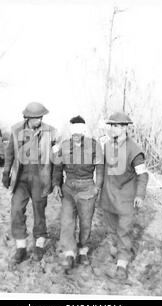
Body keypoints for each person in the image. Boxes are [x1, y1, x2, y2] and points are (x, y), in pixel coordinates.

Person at [2, 102, 58, 264]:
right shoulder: (16, 130)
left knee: (39, 212)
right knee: (16, 210)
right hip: (21, 179)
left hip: (41, 179)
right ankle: (21, 248)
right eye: (35, 118)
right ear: (27, 117)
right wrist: (6, 173)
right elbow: (9, 153)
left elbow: (57, 158)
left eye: (41, 117)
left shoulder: (51, 132)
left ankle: (39, 246)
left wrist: (55, 180)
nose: (38, 120)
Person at [99, 111, 149, 279]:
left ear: (125, 128)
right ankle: (118, 250)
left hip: (127, 199)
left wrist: (140, 195)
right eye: (111, 125)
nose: (113, 129)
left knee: (123, 231)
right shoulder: (106, 146)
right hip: (108, 196)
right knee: (112, 229)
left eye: (117, 126)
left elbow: (142, 175)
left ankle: (122, 263)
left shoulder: (134, 150)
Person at [52, 116, 104, 272]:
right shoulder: (65, 145)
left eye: (78, 132)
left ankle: (83, 251)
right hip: (69, 187)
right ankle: (69, 253)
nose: (75, 136)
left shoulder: (94, 146)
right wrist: (56, 184)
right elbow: (57, 168)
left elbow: (100, 168)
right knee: (67, 221)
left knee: (85, 222)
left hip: (87, 187)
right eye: (73, 132)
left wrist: (97, 187)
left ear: (83, 132)